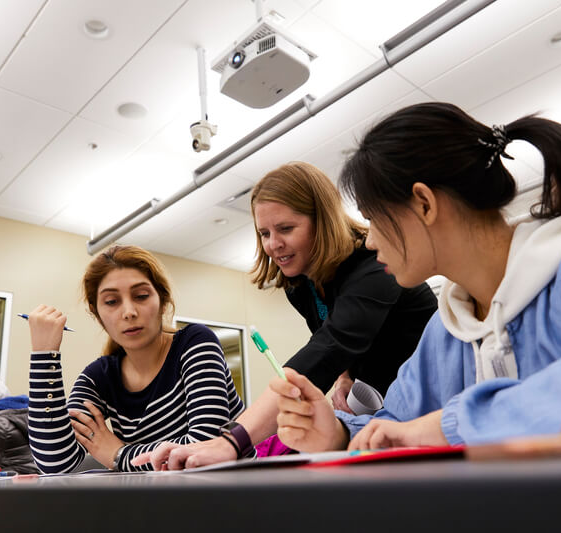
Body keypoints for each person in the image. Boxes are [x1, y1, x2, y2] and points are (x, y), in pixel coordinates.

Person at [268, 102, 561, 453]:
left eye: (373, 219)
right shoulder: (447, 328)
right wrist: (337, 432)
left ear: (424, 203)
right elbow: (397, 425)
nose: (369, 241)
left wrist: (453, 424)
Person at [133, 162, 437, 470]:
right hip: (377, 415)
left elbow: (328, 349)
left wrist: (232, 441)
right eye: (264, 233)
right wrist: (345, 376)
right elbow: (336, 338)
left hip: (429, 408)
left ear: (323, 222)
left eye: (286, 229)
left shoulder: (376, 266)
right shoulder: (301, 286)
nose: (272, 244)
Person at [27, 245, 245, 473]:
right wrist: (44, 355)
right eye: (111, 302)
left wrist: (119, 454)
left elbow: (204, 449)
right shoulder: (100, 376)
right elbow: (55, 463)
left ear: (162, 299)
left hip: (236, 493)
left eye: (141, 296)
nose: (129, 312)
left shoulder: (195, 342)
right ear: (97, 313)